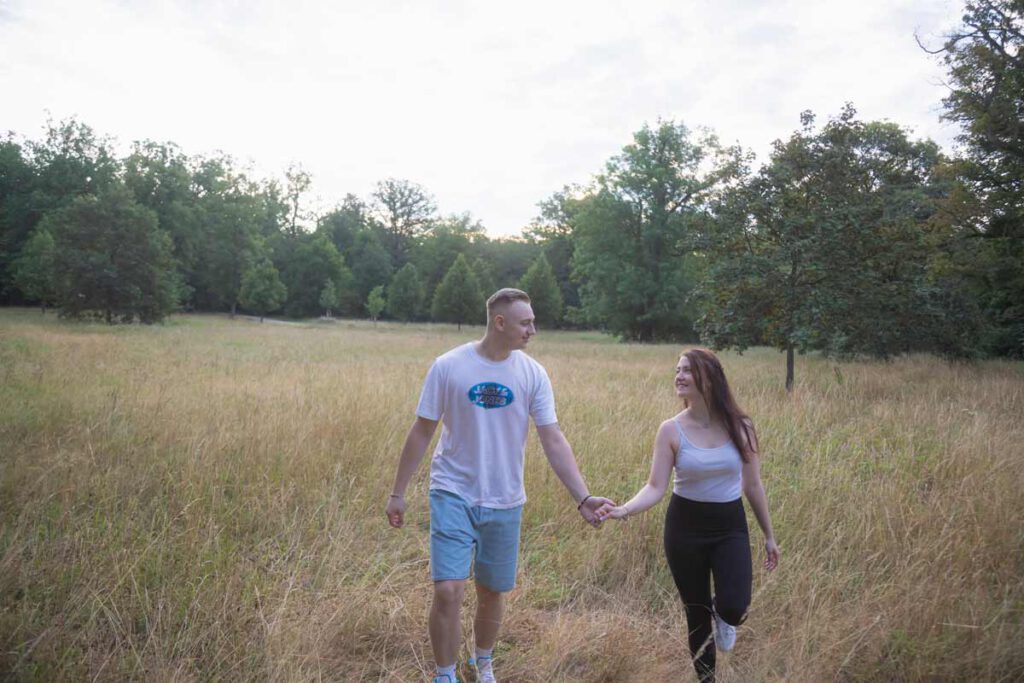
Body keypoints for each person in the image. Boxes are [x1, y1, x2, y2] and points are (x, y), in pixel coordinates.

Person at [386, 288, 612, 683]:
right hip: (452, 490)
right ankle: (445, 674)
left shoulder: (532, 373)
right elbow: (423, 430)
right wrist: (398, 491)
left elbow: (553, 437)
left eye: (533, 322)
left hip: (505, 498)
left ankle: (482, 661)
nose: (533, 330)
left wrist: (583, 497)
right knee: (448, 590)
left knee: (491, 592)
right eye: (526, 323)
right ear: (500, 322)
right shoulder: (449, 366)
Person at [597, 348, 780, 683]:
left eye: (687, 371)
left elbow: (753, 485)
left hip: (730, 526)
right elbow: (655, 487)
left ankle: (723, 615)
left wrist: (769, 535)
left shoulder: (742, 427)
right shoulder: (670, 430)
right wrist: (623, 510)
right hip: (684, 528)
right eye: (677, 370)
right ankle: (706, 678)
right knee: (696, 614)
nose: (678, 377)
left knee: (734, 606)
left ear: (709, 378)